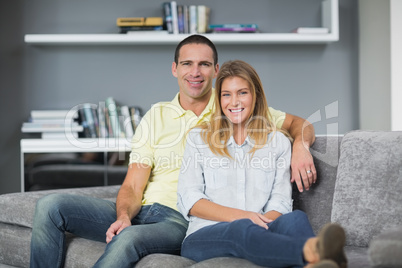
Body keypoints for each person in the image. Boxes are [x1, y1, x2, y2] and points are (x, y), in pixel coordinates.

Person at [30, 35, 316, 268]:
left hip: (178, 216)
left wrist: (300, 146)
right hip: (143, 209)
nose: (195, 72)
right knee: (49, 206)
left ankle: (312, 255)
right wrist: (124, 216)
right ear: (174, 69)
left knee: (128, 240)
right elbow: (132, 183)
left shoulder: (230, 110)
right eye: (187, 64)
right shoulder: (156, 115)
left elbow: (298, 124)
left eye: (204, 64)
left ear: (216, 71)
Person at [177, 60, 346, 268]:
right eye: (226, 94)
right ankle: (314, 252)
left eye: (242, 93)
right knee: (241, 229)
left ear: (255, 95)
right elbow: (190, 200)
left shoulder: (278, 142)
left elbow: (280, 202)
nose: (234, 102)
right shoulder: (199, 138)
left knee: (295, 219)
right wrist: (245, 218)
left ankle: (315, 262)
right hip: (204, 235)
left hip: (261, 228)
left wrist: (261, 224)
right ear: (219, 99)